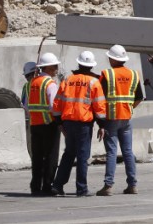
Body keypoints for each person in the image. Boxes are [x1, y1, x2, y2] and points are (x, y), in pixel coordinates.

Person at [50, 50, 106, 197]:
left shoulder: (67, 80)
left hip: (68, 122)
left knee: (68, 154)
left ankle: (57, 185)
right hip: (83, 124)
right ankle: (81, 189)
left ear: (79, 64)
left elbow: (57, 104)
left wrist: (59, 123)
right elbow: (99, 107)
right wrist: (102, 125)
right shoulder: (94, 82)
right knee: (82, 156)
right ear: (91, 66)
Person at [96, 44, 144, 196]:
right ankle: (132, 185)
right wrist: (129, 108)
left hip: (110, 118)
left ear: (112, 59)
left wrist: (100, 121)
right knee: (128, 151)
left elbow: (99, 98)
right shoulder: (134, 74)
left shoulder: (107, 74)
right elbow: (139, 97)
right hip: (126, 118)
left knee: (111, 152)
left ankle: (108, 186)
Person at [27, 53, 61, 196]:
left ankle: (35, 185)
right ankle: (47, 185)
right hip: (49, 124)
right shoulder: (50, 84)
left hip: (35, 124)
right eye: (54, 66)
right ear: (47, 67)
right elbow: (55, 107)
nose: (56, 69)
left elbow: (26, 105)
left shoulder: (32, 83)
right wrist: (60, 122)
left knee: (37, 157)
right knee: (51, 157)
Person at [20, 61, 36, 162]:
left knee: (31, 144)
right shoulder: (43, 83)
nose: (27, 78)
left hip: (32, 119)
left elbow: (22, 103)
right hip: (35, 119)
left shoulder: (26, 86)